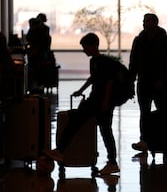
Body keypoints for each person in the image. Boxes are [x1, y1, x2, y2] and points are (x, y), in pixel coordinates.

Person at [44, 32, 120, 175]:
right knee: (102, 129)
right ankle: (112, 162)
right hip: (96, 99)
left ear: (93, 46)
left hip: (100, 101)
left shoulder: (104, 62)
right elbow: (93, 79)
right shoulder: (95, 61)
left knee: (84, 123)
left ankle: (60, 150)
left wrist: (105, 101)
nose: (84, 50)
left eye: (85, 47)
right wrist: (80, 90)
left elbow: (110, 82)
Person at [129, 13, 167, 154]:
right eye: (144, 21)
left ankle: (163, 139)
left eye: (147, 21)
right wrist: (131, 82)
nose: (144, 24)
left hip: (160, 82)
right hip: (144, 82)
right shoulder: (139, 40)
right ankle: (145, 140)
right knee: (145, 113)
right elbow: (134, 63)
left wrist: (164, 78)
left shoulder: (164, 40)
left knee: (162, 111)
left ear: (155, 23)